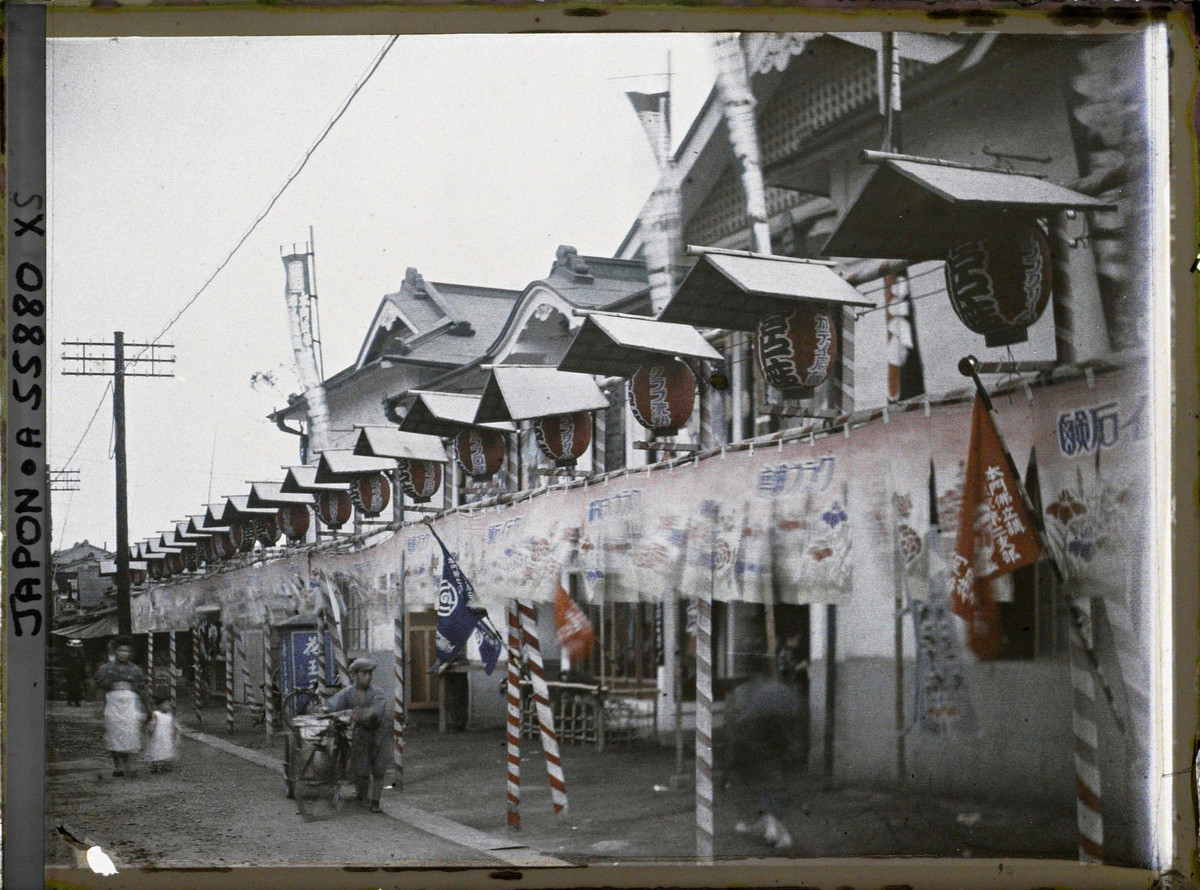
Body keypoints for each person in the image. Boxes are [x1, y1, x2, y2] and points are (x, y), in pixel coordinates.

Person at [724, 654, 806, 850]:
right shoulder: (782, 690)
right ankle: (767, 825)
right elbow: (796, 715)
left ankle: (775, 830)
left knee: (758, 783)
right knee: (769, 782)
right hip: (774, 741)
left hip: (754, 740)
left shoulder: (743, 692)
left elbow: (737, 722)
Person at [324, 657, 390, 812]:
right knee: (361, 770)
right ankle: (362, 795)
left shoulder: (378, 692)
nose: (367, 677)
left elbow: (376, 712)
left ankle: (375, 802)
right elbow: (334, 705)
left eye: (369, 673)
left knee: (379, 769)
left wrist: (356, 715)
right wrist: (324, 709)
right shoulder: (347, 693)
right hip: (361, 735)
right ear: (354, 675)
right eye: (363, 673)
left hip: (379, 734)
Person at [93, 638, 150, 777]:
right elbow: (99, 687)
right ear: (115, 651)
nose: (123, 653)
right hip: (113, 702)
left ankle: (128, 763)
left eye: (126, 651)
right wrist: (99, 705)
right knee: (114, 732)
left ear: (130, 653)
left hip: (130, 703)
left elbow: (142, 689)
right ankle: (117, 765)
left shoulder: (135, 670)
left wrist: (148, 707)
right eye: (120, 650)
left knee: (130, 732)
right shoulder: (105, 668)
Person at [145, 694, 182, 773]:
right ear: (159, 705)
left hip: (167, 735)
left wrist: (175, 732)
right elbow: (151, 725)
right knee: (156, 749)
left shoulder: (170, 715)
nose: (168, 706)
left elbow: (174, 725)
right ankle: (155, 765)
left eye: (168, 704)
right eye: (165, 704)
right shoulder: (156, 714)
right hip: (157, 735)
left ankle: (166, 765)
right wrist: (150, 732)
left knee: (167, 749)